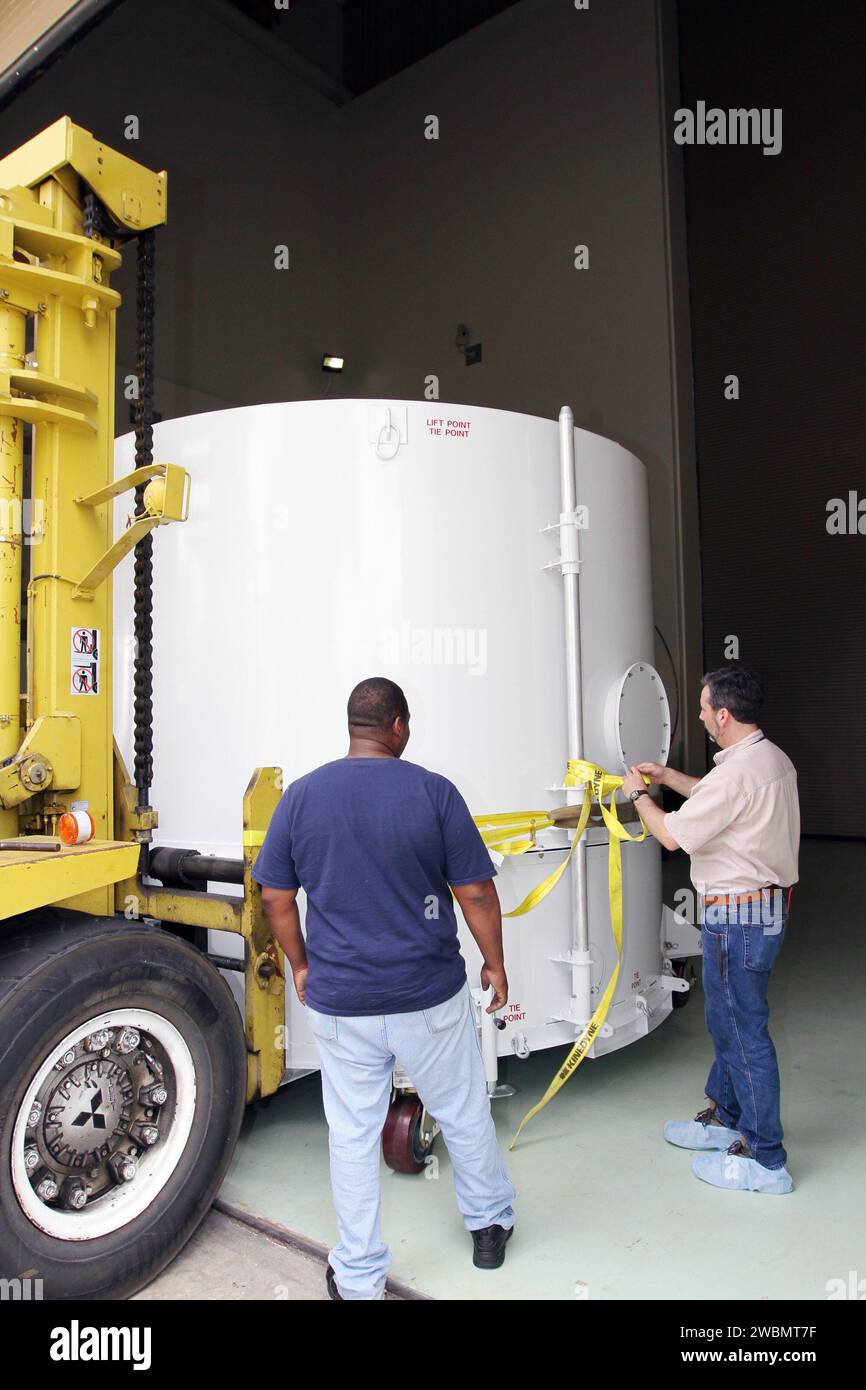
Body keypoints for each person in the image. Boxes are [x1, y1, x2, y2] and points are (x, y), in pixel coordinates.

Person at [253, 676, 516, 1299]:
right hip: (428, 994)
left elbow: (275, 896)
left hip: (343, 1001)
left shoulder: (301, 798)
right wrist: (495, 964)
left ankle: (359, 1276)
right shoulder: (433, 792)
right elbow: (475, 890)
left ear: (353, 727)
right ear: (397, 725)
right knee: (461, 1110)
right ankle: (488, 1227)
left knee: (351, 1133)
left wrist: (301, 965)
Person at [620, 666, 799, 1195]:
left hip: (740, 918)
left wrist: (639, 796)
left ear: (723, 714)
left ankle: (766, 1160)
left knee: (742, 1031)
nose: (698, 716)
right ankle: (725, 1118)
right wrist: (671, 779)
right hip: (758, 912)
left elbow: (673, 836)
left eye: (701, 708)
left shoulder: (740, 773)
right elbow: (719, 796)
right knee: (728, 1022)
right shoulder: (768, 758)